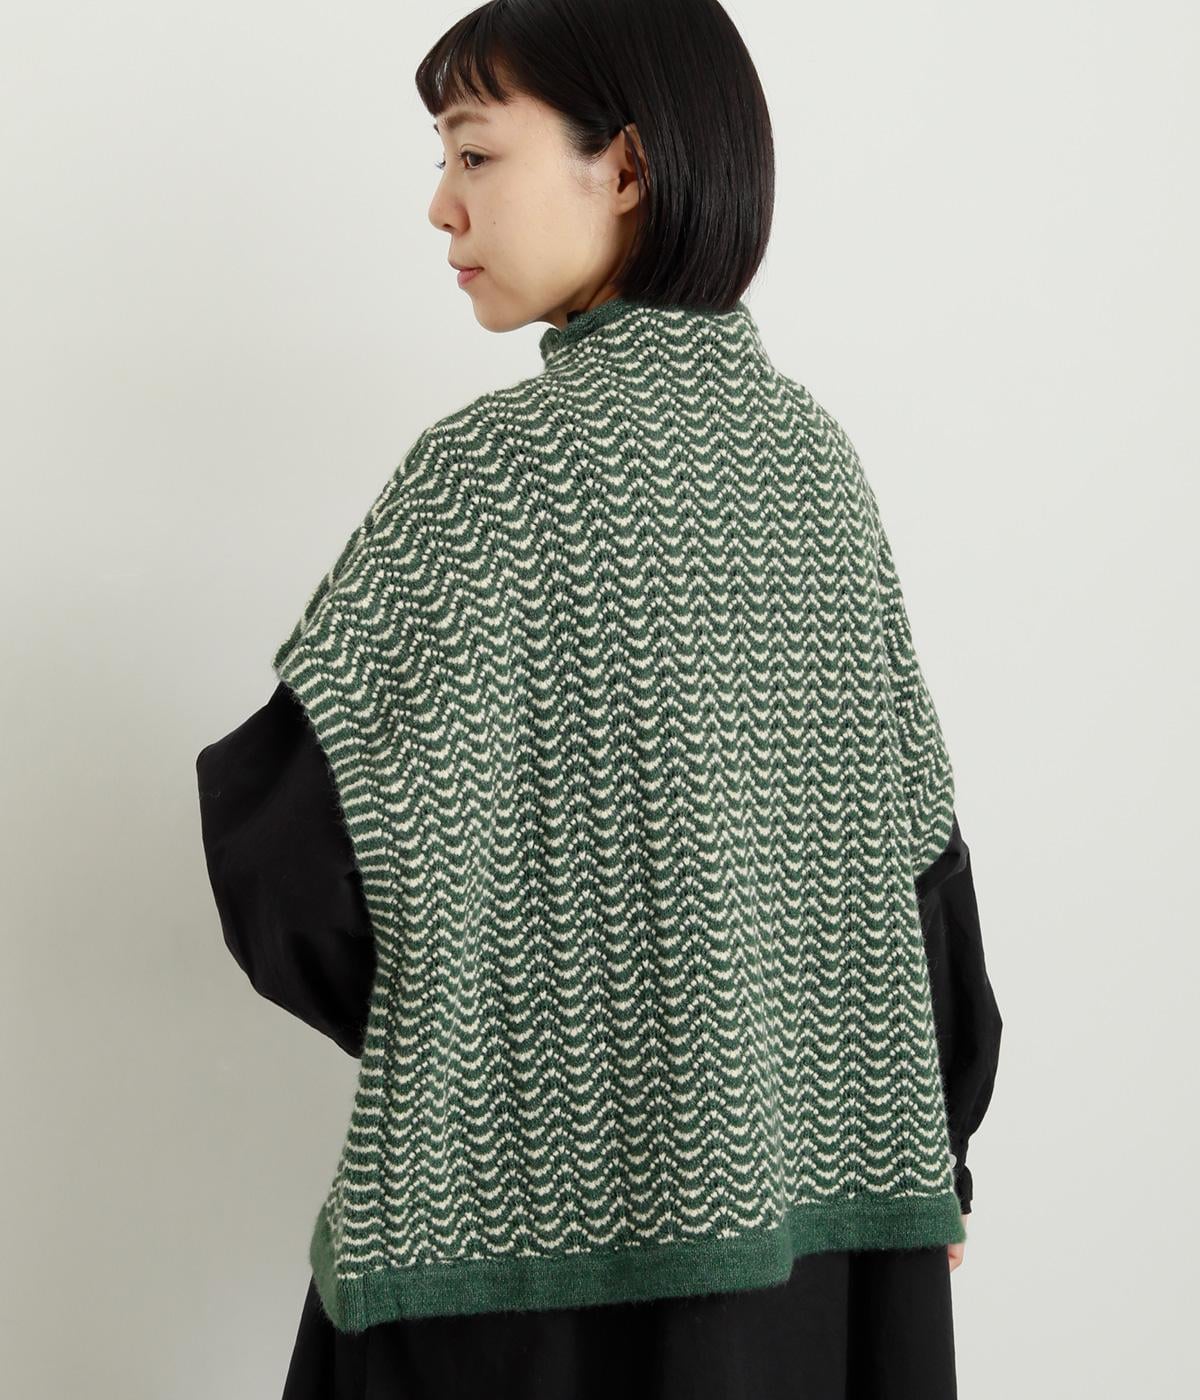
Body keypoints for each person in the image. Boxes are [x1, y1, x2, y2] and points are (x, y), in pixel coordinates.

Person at [196, 2, 1003, 1395]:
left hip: (523, 1300)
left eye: (474, 153)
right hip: (821, 1266)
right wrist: (932, 1145)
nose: (441, 205)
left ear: (624, 166)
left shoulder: (489, 478)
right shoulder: (815, 465)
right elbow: (920, 870)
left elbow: (288, 864)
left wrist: (501, 1029)